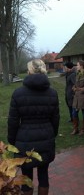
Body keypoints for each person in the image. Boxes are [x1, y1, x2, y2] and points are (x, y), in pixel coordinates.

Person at [7, 59, 60, 195]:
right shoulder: (52, 93)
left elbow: (13, 121)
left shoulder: (18, 93)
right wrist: (51, 135)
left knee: (26, 178)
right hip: (46, 138)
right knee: (43, 175)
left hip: (24, 141)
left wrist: (12, 142)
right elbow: (55, 119)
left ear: (29, 70)